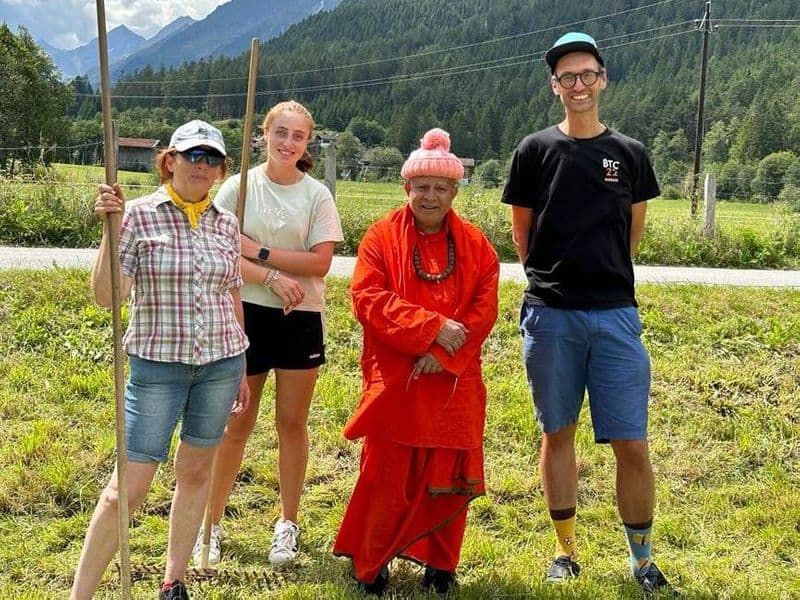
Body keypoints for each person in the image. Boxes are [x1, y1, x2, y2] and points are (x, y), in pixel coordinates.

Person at [502, 32, 673, 593]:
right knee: (558, 433)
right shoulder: (533, 151)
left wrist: (602, 279)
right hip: (551, 314)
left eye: (587, 74)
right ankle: (565, 551)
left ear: (603, 79)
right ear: (555, 87)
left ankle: (642, 560)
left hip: (616, 315)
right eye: (566, 77)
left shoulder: (630, 155)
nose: (577, 85)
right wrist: (550, 283)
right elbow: (522, 233)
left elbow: (633, 236)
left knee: (632, 443)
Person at [70, 120, 249, 600]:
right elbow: (108, 297)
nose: (202, 166)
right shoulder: (138, 216)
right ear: (170, 160)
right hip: (157, 370)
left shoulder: (226, 223)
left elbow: (231, 291)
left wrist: (243, 362)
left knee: (195, 473)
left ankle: (175, 581)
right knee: (126, 488)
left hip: (220, 365)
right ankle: (79, 595)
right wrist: (111, 228)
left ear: (221, 170)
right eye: (193, 156)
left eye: (212, 159)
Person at [333, 128, 499, 596]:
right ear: (406, 188)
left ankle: (441, 565)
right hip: (397, 375)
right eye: (421, 187)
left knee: (449, 473)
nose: (430, 196)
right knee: (386, 474)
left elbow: (484, 309)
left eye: (440, 188)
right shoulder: (380, 236)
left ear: (454, 192)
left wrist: (443, 351)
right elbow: (367, 298)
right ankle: (373, 561)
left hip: (454, 379)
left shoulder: (477, 244)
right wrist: (429, 330)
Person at [195, 100, 343, 566]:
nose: (288, 143)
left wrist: (258, 252)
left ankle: (287, 523)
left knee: (292, 423)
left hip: (301, 316)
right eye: (280, 132)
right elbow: (214, 250)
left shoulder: (317, 194)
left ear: (307, 142)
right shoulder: (237, 188)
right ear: (262, 134)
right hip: (245, 314)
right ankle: (210, 525)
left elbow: (319, 262)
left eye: (297, 136)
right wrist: (272, 276)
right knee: (236, 422)